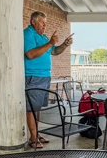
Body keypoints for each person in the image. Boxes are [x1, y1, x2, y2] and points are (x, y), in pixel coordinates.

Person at [24, 11, 73, 149]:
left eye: (46, 23)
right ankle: (32, 138)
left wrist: (64, 44)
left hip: (44, 76)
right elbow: (31, 54)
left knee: (37, 108)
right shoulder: (28, 34)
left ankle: (37, 134)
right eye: (42, 22)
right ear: (33, 22)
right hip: (32, 76)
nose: (45, 25)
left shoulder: (44, 37)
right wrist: (50, 42)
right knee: (31, 108)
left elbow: (55, 51)